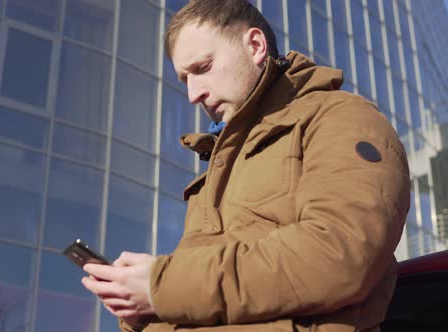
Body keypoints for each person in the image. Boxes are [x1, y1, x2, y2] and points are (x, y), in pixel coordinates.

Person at [81, 0, 410, 331]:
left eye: (202, 67)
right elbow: (211, 297)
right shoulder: (221, 166)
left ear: (255, 46)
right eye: (184, 79)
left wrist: (160, 287)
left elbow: (340, 256)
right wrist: (144, 311)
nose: (193, 94)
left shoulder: (340, 118)